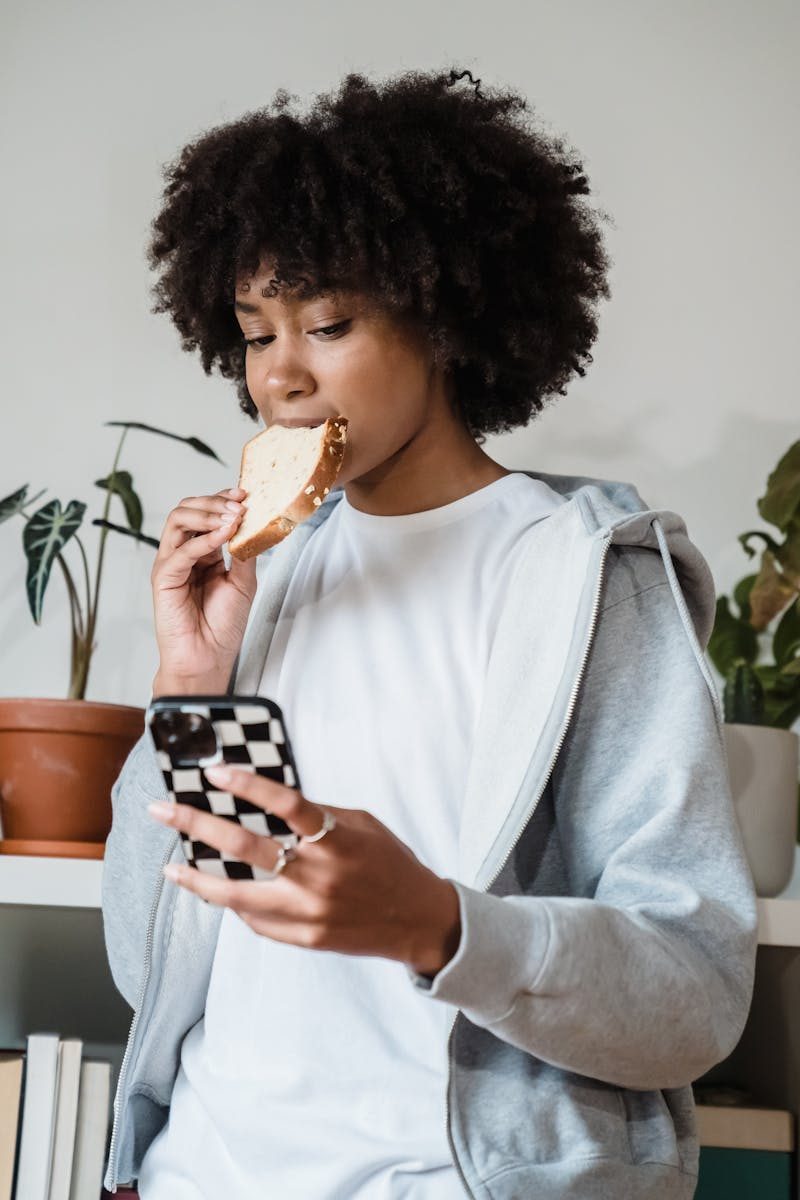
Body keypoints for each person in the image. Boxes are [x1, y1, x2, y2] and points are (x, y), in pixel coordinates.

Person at [101, 66, 757, 1199]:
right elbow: (145, 963)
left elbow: (690, 994)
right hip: (197, 1173)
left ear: (444, 318)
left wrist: (439, 928)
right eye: (256, 335)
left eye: (330, 324)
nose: (281, 378)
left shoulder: (582, 579)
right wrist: (189, 690)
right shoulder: (260, 580)